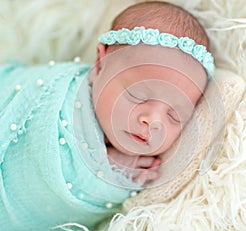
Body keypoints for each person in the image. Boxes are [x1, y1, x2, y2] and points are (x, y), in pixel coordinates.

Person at [0, 1, 214, 230]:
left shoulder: (145, 169)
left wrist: (116, 172)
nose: (153, 121)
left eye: (175, 115)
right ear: (100, 64)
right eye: (137, 95)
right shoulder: (61, 93)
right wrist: (105, 165)